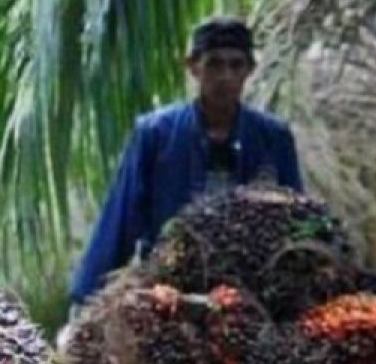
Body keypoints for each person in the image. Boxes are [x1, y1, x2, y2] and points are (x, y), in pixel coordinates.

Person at [66, 16, 304, 312]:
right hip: (167, 291)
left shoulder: (273, 138)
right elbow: (119, 220)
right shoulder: (155, 134)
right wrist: (84, 300)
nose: (226, 76)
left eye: (236, 65)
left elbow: (298, 225)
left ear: (250, 70)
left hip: (250, 296)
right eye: (214, 64)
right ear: (193, 67)